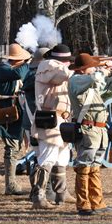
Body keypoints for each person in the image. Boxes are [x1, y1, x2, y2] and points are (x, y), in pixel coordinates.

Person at [68, 54, 112, 216]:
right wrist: (104, 69)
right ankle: (83, 204)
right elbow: (95, 77)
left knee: (95, 166)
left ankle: (97, 203)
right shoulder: (76, 80)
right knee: (84, 166)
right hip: (88, 130)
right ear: (84, 69)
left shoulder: (90, 81)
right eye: (92, 66)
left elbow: (109, 86)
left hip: (99, 130)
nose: (95, 68)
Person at [30, 44, 74, 209]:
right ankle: (38, 197)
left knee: (62, 158)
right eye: (67, 60)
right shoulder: (48, 66)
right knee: (47, 158)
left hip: (62, 119)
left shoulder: (59, 67)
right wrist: (77, 68)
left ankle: (61, 194)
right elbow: (60, 75)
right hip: (49, 119)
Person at [0, 43, 31, 195]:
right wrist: (29, 62)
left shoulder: (9, 68)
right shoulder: (2, 68)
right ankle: (11, 185)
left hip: (15, 113)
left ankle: (11, 184)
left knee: (15, 148)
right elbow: (20, 74)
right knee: (12, 149)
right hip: (6, 114)